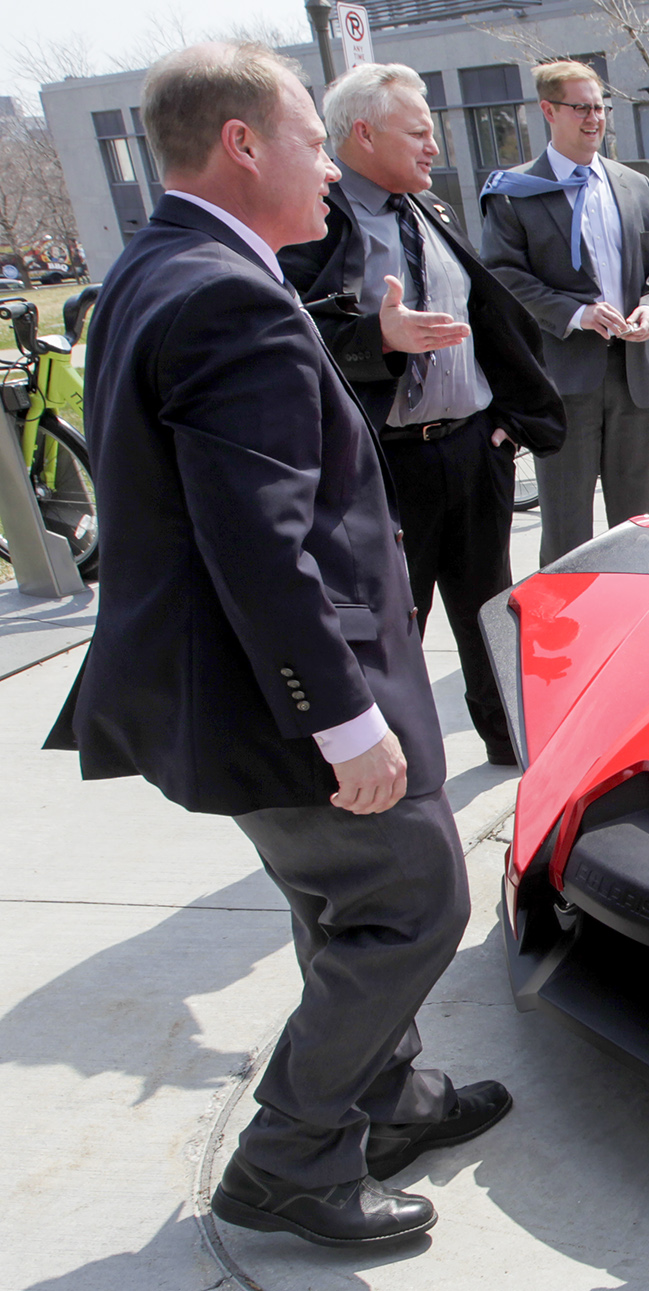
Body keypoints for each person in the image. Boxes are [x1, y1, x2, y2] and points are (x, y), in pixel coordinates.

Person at [43, 42, 508, 1247]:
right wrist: (345, 721)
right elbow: (260, 537)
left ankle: (386, 1099)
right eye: (312, 140)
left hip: (237, 687)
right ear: (243, 143)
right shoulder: (222, 292)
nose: (328, 169)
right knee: (410, 901)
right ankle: (290, 1159)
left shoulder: (161, 267)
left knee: (343, 904)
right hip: (284, 693)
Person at [280, 63, 566, 769]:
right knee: (395, 624)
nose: (434, 145)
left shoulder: (428, 211)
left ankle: (512, 741)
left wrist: (504, 424)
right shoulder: (314, 223)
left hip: (472, 450)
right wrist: (377, 338)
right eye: (419, 132)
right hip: (388, 467)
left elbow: (488, 320)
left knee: (491, 607)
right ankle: (401, 762)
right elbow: (293, 345)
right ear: (364, 134)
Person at [480, 59, 649, 566]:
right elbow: (504, 277)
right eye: (581, 108)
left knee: (640, 517)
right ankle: (571, 626)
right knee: (568, 519)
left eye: (600, 108)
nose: (594, 119)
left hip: (635, 375)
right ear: (548, 110)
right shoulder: (513, 193)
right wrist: (576, 313)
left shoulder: (634, 185)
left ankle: (641, 610)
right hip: (566, 378)